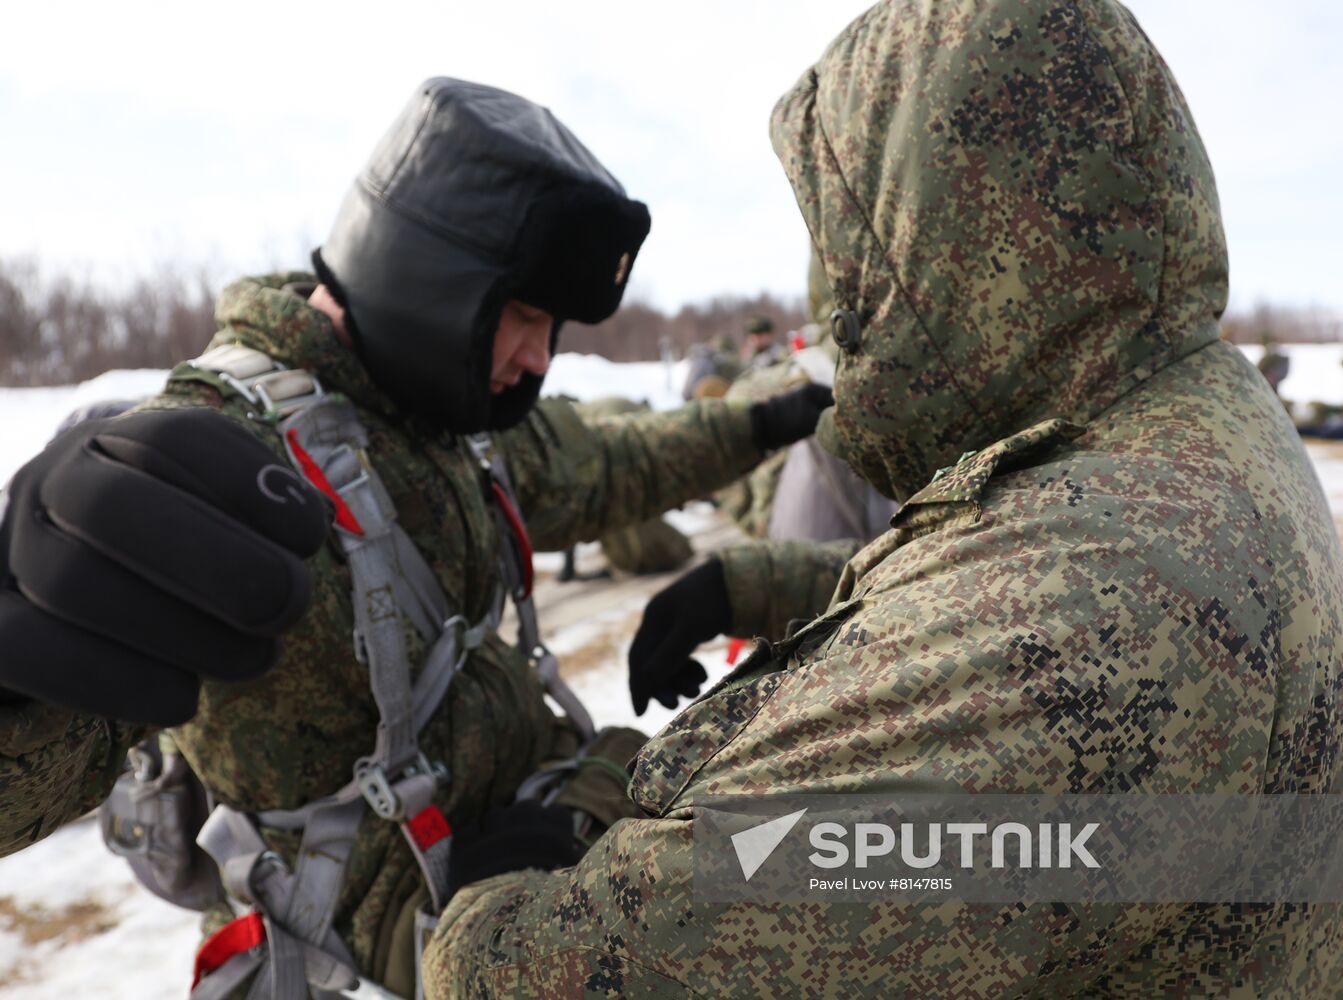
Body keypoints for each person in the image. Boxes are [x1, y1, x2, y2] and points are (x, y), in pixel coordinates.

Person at [420, 2, 1343, 996]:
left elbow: (593, 968)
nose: (839, 297)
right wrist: (757, 583)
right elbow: (991, 573)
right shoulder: (1182, 425)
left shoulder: (1088, 607)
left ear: (934, 244)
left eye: (851, 242)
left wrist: (490, 917)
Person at [0, 78, 832, 997]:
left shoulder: (444, 421)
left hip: (528, 820)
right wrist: (24, 645)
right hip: (379, 922)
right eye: (522, 317)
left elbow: (608, 460)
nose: (538, 358)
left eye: (553, 327)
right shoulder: (231, 466)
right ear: (427, 279)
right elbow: (45, 762)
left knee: (792, 824)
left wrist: (762, 423)